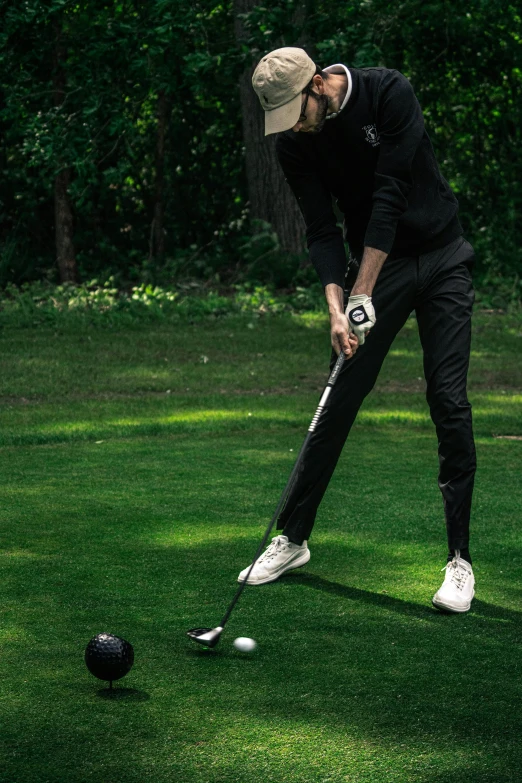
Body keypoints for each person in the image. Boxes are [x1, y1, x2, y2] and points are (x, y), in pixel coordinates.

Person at [237, 47, 477, 613]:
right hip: (377, 271)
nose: (292, 127)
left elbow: (390, 196)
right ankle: (292, 540)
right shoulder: (296, 143)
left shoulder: (388, 91)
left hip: (441, 256)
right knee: (337, 396)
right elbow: (321, 230)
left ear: (319, 85)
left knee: (447, 397)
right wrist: (335, 305)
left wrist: (362, 291)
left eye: (297, 110)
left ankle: (460, 561)